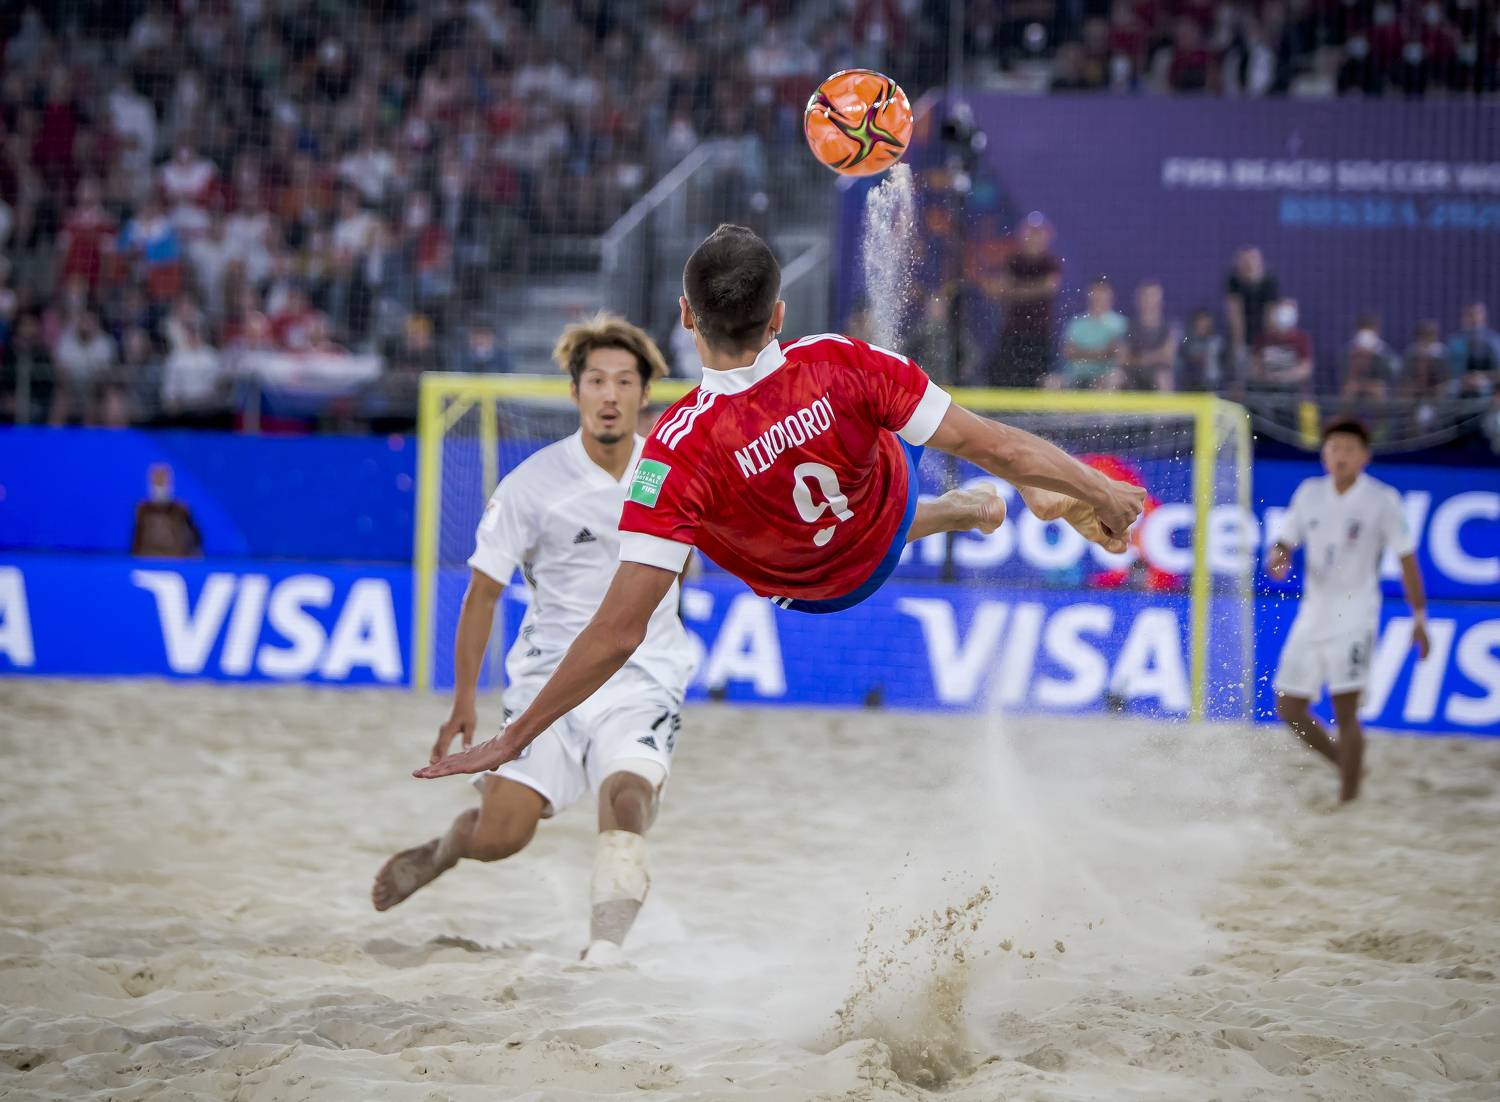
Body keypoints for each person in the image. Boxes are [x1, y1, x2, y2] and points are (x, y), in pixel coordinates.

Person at [415, 224, 1144, 783]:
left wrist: (516, 735)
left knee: (725, 515)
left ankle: (963, 509)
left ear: (686, 317)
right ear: (778, 315)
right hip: (883, 508)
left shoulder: (670, 452)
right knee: (926, 426)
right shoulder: (839, 358)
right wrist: (1100, 488)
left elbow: (617, 632)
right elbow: (997, 443)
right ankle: (991, 499)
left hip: (819, 588)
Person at [1266, 419, 1428, 804]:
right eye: (1334, 447)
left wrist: (1419, 618)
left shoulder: (1382, 499)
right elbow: (1285, 540)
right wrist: (1279, 557)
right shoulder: (1309, 493)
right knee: (1288, 706)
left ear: (1364, 457)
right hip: (1313, 613)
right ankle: (1346, 764)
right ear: (1324, 454)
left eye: (1349, 449)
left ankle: (1348, 799)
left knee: (1346, 710)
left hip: (1356, 615)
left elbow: (1406, 558)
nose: (1340, 455)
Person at [1052, 278, 1127, 390]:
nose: (1098, 297)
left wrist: (1082, 353)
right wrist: (1103, 353)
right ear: (1088, 295)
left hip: (1106, 374)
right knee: (1051, 382)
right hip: (1075, 374)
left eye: (1102, 292)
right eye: (1095, 292)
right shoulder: (1076, 323)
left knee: (1113, 379)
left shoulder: (1121, 323)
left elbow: (1120, 355)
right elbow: (1068, 352)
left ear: (1110, 296)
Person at [1224, 246, 1279, 373]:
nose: (1249, 264)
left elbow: (1270, 314)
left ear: (1260, 263)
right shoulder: (1234, 280)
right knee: (1240, 367)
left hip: (1264, 332)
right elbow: (1235, 314)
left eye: (1252, 260)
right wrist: (1238, 345)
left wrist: (1267, 343)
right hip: (1243, 332)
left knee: (1266, 367)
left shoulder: (1270, 281)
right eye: (1245, 261)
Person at [131, 463, 203, 558]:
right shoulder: (143, 510)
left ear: (170, 482)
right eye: (156, 481)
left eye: (163, 480)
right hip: (149, 559)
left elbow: (196, 540)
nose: (160, 485)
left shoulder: (181, 510)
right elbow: (136, 541)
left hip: (175, 559)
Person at [1121, 280, 1178, 392]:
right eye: (1145, 296)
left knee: (1163, 378)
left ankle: (1165, 404)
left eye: (1152, 296)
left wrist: (1138, 358)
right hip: (1131, 373)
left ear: (1160, 300)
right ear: (1138, 299)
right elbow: (1122, 359)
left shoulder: (1169, 327)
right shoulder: (1128, 326)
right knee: (1113, 377)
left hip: (1157, 373)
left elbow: (1168, 357)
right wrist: (1154, 356)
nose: (1149, 300)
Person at [1250, 297, 1314, 395]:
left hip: (1291, 391)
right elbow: (1254, 367)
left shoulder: (1301, 339)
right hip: (1264, 390)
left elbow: (1305, 368)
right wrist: (1266, 376)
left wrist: (1284, 377)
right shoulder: (1261, 339)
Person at [1447, 301, 1500, 396]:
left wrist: (1483, 376)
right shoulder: (1455, 342)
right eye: (1469, 315)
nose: (1474, 318)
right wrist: (1465, 379)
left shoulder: (1494, 341)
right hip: (1460, 387)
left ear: (1483, 317)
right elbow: (1448, 372)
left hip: (1489, 387)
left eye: (1477, 314)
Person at [1175, 309, 1224, 392]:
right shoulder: (1187, 339)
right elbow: (1185, 353)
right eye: (1201, 322)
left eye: (1206, 324)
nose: (1203, 325)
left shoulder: (1216, 340)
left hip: (1215, 381)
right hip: (1192, 380)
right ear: (1195, 323)